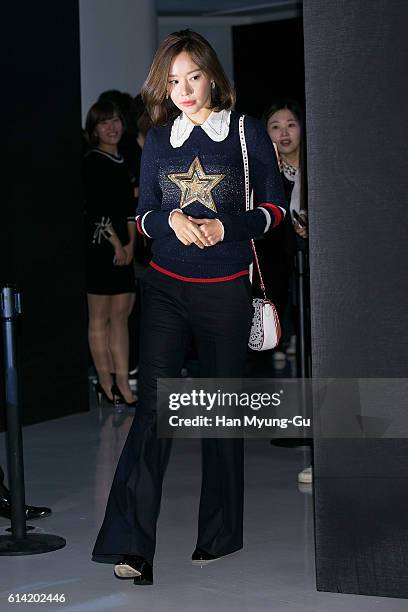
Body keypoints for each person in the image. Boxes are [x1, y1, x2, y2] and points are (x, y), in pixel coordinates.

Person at [92, 29, 287, 585]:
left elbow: (273, 210)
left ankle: (221, 531)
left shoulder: (246, 133)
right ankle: (133, 545)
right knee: (154, 411)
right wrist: (170, 221)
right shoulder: (158, 139)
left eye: (192, 77)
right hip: (165, 288)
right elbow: (146, 214)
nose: (183, 89)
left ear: (212, 77)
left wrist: (226, 224)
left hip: (226, 290)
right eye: (172, 80)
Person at [265, 99, 312, 484]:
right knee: (282, 340)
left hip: (315, 267)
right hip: (278, 267)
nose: (284, 132)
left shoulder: (319, 168)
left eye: (291, 124)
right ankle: (292, 418)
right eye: (276, 126)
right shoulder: (265, 172)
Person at [83, 100, 137, 406]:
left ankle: (123, 383)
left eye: (115, 120)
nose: (112, 127)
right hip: (100, 248)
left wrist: (130, 245)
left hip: (125, 250)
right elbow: (96, 210)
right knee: (99, 319)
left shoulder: (123, 161)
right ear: (94, 130)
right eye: (104, 123)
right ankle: (105, 383)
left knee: (121, 319)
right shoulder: (91, 161)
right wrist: (117, 245)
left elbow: (129, 211)